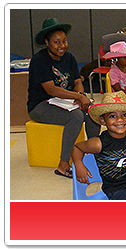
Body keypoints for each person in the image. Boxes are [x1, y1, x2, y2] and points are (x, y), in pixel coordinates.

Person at [27, 17, 100, 178]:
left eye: (64, 41)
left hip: (64, 102)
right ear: (47, 42)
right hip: (40, 105)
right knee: (75, 117)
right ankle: (62, 164)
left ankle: (94, 156)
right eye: (57, 42)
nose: (62, 46)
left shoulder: (69, 58)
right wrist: (78, 97)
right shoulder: (39, 60)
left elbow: (77, 81)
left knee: (91, 111)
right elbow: (52, 90)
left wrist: (80, 96)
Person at [71, 91, 126, 200]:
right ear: (103, 120)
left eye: (125, 115)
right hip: (115, 190)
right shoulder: (98, 143)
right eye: (113, 116)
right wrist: (78, 164)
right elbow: (77, 147)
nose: (120, 120)